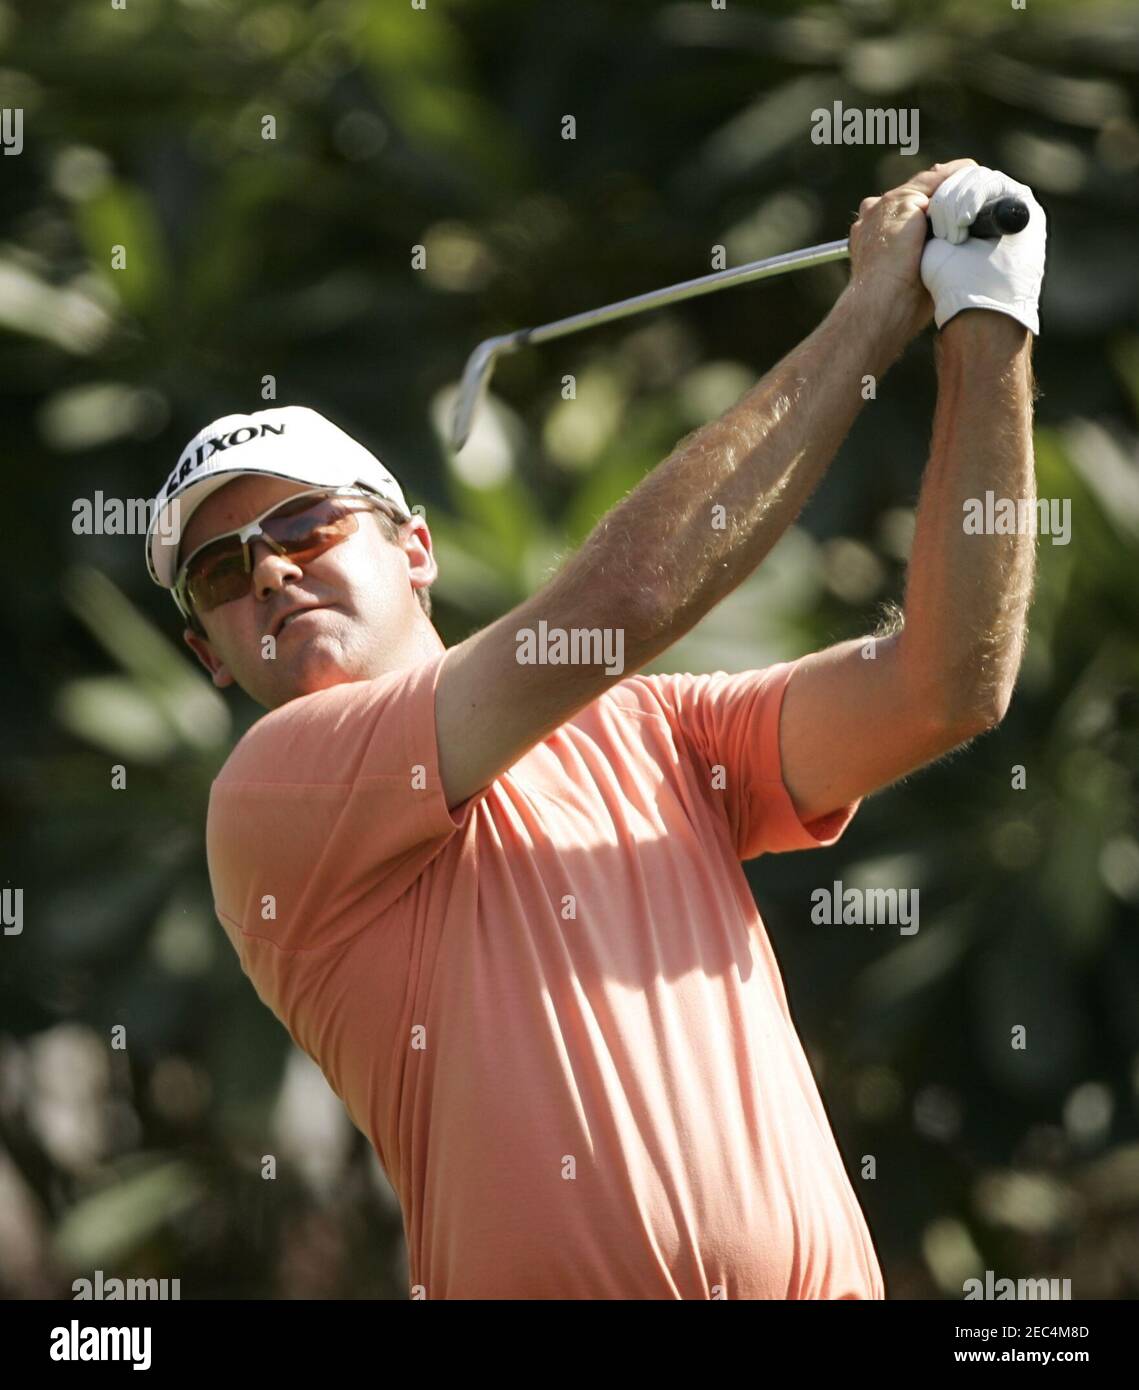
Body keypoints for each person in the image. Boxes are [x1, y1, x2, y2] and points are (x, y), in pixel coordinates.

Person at [143, 159, 1045, 1298]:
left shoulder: (657, 729)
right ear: (207, 657)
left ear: (413, 549)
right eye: (221, 573)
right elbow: (617, 608)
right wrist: (870, 312)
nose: (268, 569)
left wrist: (986, 318)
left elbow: (944, 684)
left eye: (306, 525)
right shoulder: (272, 793)